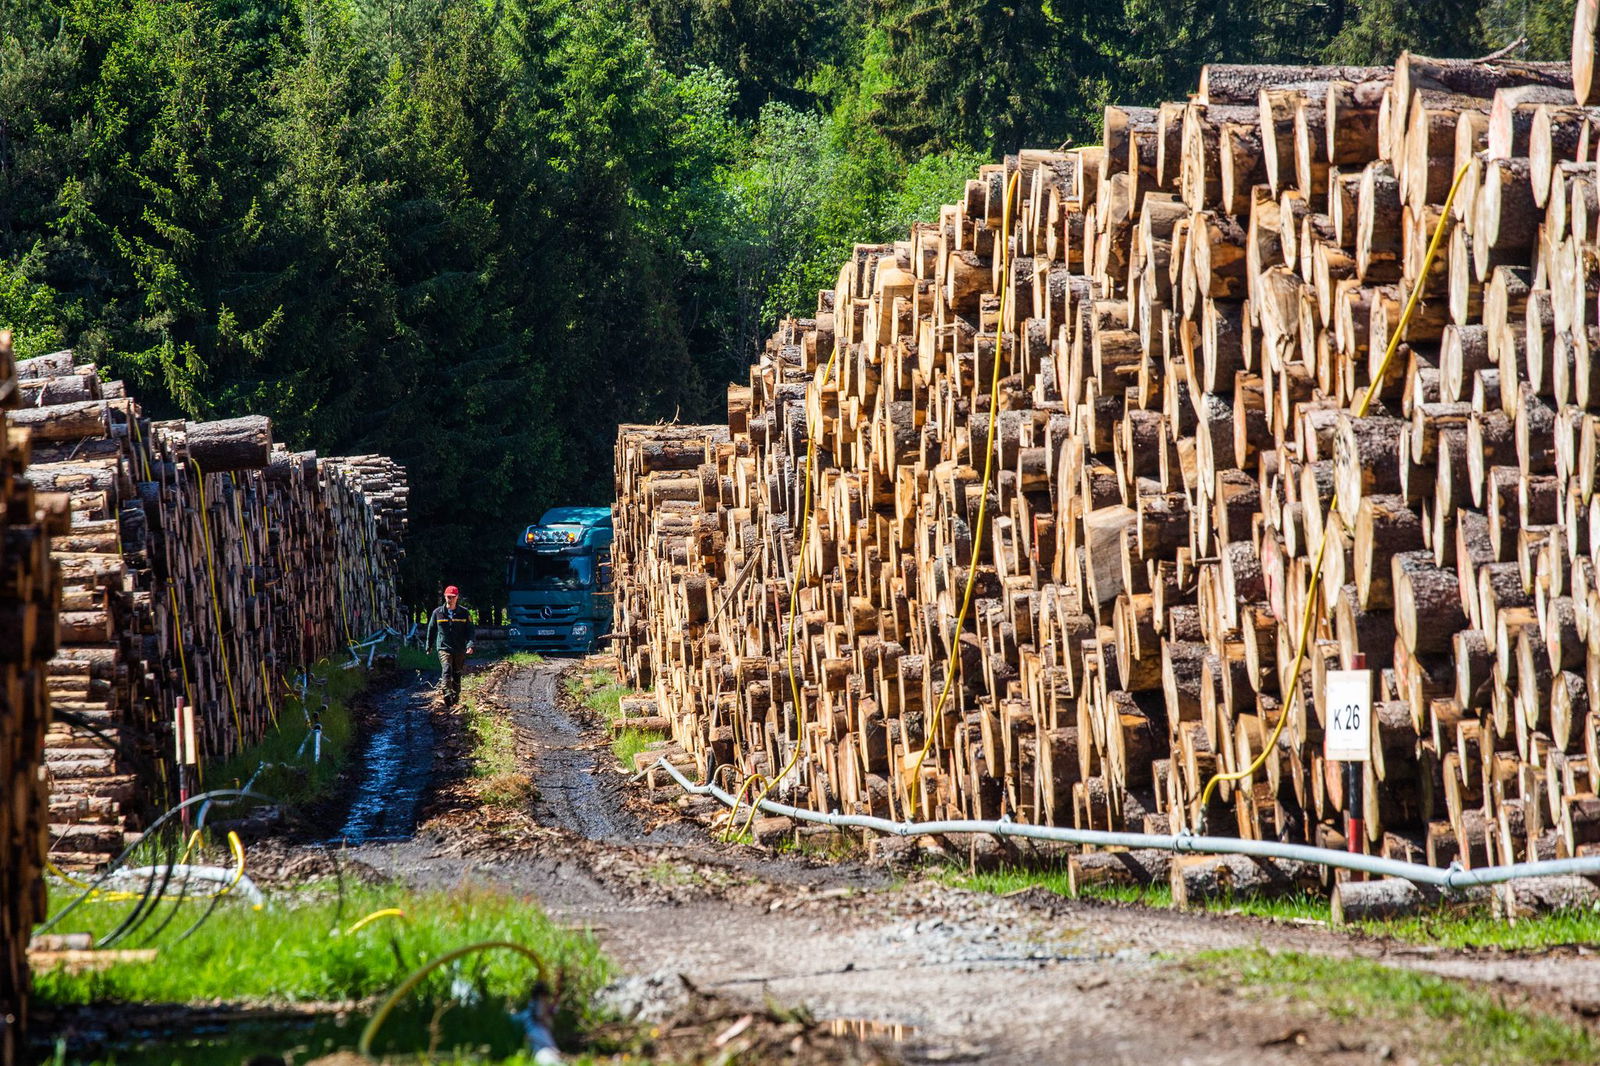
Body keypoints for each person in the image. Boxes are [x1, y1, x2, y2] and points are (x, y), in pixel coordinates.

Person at [425, 585, 476, 707]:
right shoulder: (437, 613)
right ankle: (447, 694)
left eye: (453, 597)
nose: (450, 599)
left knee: (457, 673)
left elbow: (470, 631)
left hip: (459, 648)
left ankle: (456, 695)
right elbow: (431, 630)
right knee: (447, 670)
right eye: (448, 597)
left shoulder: (464, 613)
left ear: (457, 597)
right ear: (444, 597)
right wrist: (429, 645)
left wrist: (470, 645)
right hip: (443, 647)